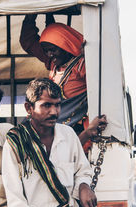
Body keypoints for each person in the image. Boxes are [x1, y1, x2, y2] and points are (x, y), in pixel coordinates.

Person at [2, 78, 96, 207]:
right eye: (46, 105)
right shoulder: (15, 142)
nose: (54, 112)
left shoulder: (68, 135)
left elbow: (83, 170)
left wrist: (83, 186)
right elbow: (14, 195)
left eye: (57, 105)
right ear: (29, 108)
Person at [20, 14, 107, 149]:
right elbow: (28, 42)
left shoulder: (81, 66)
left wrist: (91, 55)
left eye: (53, 50)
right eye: (46, 50)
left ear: (66, 45)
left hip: (75, 130)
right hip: (53, 128)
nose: (49, 54)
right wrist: (31, 17)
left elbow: (102, 80)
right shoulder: (54, 65)